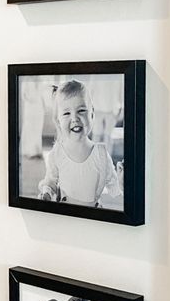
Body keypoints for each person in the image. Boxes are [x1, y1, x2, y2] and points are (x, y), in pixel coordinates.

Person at [38, 79, 123, 208]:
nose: (74, 118)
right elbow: (50, 181)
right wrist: (47, 193)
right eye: (66, 113)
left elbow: (115, 190)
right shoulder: (57, 153)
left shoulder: (101, 154)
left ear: (92, 114)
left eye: (81, 111)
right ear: (58, 121)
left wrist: (122, 184)